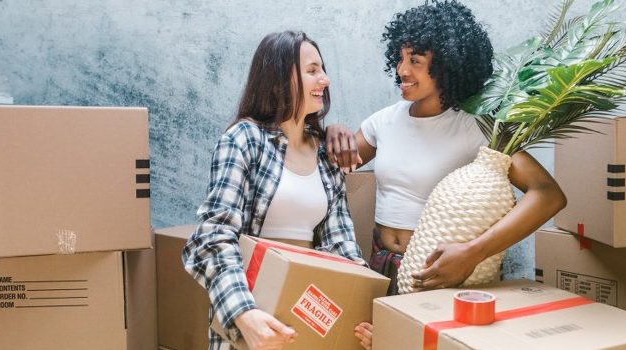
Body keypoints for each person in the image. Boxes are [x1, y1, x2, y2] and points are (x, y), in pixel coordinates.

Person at [324, 2, 567, 349]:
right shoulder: (385, 121)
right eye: (400, 57)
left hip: (440, 275)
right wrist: (334, 129)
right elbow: (332, 163)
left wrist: (473, 252)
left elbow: (547, 194)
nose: (401, 70)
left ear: (449, 66)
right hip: (380, 267)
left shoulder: (476, 127)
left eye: (415, 61)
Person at [182, 30, 367, 350]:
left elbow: (342, 245)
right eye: (312, 71)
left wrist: (363, 312)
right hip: (253, 307)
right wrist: (244, 314)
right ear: (279, 80)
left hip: (307, 314)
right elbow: (213, 236)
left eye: (323, 69)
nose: (324, 79)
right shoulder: (243, 140)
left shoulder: (326, 154)